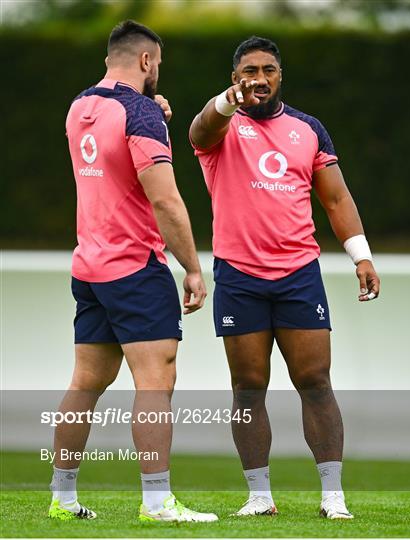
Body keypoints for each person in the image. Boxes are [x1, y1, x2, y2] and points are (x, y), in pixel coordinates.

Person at [190, 36, 380, 519]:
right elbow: (198, 130)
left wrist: (361, 256)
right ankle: (258, 496)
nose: (259, 77)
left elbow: (336, 200)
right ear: (235, 78)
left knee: (315, 381)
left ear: (280, 75)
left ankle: (333, 497)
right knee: (249, 386)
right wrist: (224, 103)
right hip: (239, 275)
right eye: (249, 70)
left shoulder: (309, 129)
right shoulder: (222, 126)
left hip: (299, 275)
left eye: (268, 69)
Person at [48, 20, 217, 523]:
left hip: (90, 266)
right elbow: (164, 198)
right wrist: (191, 267)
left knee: (84, 384)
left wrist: (152, 110)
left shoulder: (80, 106)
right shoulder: (141, 111)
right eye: (157, 64)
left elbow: (111, 150)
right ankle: (158, 502)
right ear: (147, 61)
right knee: (155, 382)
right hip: (134, 268)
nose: (158, 72)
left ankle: (62, 499)